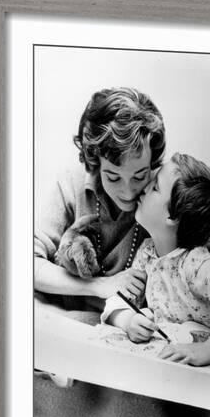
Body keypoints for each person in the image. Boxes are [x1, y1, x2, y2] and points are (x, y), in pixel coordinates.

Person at [102, 153, 210, 366]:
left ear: (172, 217)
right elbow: (120, 298)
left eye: (155, 187)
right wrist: (128, 320)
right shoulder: (147, 254)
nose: (144, 187)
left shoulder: (195, 264)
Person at [34, 87, 166, 320]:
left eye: (139, 176)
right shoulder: (71, 181)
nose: (128, 192)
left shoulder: (165, 190)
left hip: (123, 324)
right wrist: (98, 285)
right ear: (94, 163)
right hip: (62, 315)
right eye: (113, 177)